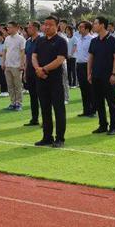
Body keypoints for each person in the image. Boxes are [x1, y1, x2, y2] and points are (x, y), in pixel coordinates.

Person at [32, 15, 67, 148]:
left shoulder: (60, 41)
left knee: (58, 110)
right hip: (41, 79)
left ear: (57, 26)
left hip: (55, 80)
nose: (46, 27)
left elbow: (60, 59)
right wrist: (38, 69)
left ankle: (60, 138)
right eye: (45, 24)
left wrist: (44, 69)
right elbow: (34, 56)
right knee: (45, 109)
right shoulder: (40, 41)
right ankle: (47, 137)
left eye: (50, 24)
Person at [88, 16, 115, 136]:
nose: (93, 25)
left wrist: (114, 74)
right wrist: (89, 73)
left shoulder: (113, 40)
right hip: (96, 75)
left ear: (102, 25)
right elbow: (90, 58)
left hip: (108, 76)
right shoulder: (94, 41)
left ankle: (113, 127)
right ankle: (102, 125)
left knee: (111, 102)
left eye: (95, 23)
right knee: (98, 102)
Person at [3, 21, 26, 111]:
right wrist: (3, 62)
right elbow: (5, 51)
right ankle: (12, 103)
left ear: (16, 28)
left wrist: (22, 64)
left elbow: (23, 52)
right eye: (8, 27)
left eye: (10, 27)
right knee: (10, 85)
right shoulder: (7, 38)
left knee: (17, 85)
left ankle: (19, 103)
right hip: (8, 65)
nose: (8, 29)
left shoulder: (21, 39)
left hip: (16, 66)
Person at [75, 21, 95, 118]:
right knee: (83, 88)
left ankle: (93, 110)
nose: (79, 28)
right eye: (79, 27)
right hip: (79, 65)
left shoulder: (92, 39)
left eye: (81, 27)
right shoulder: (78, 39)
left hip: (88, 65)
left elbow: (93, 55)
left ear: (87, 29)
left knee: (90, 89)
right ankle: (86, 110)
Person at [23, 21, 41, 126]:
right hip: (29, 71)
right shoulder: (28, 41)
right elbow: (26, 58)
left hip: (38, 72)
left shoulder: (41, 41)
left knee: (42, 96)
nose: (27, 29)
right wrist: (25, 72)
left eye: (29, 27)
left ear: (35, 28)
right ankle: (34, 119)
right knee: (33, 96)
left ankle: (46, 119)